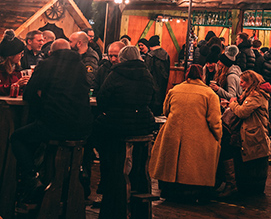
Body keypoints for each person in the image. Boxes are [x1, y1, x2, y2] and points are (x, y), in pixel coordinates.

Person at [11, 38, 93, 200]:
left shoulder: (46, 64)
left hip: (54, 124)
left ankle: (32, 178)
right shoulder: (81, 66)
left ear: (50, 52)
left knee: (17, 138)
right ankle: (79, 173)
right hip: (82, 127)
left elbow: (29, 94)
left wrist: (41, 104)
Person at [94, 45, 155, 214]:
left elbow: (102, 98)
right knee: (139, 163)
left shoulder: (116, 74)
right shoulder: (147, 74)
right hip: (143, 125)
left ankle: (108, 181)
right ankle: (137, 184)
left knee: (98, 133)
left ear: (121, 58)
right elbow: (154, 99)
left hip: (118, 126)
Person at [150, 64, 222, 202]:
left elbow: (166, 111)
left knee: (172, 165)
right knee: (194, 167)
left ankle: (169, 191)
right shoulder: (210, 94)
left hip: (173, 133)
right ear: (202, 76)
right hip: (198, 138)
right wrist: (218, 137)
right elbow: (214, 121)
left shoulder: (175, 90)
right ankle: (195, 194)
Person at [227, 70, 271, 194]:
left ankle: (250, 190)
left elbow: (242, 112)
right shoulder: (252, 93)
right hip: (253, 131)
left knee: (254, 160)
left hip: (254, 133)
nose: (240, 84)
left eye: (242, 82)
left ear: (249, 82)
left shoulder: (256, 95)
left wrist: (232, 104)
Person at [145, 35, 171, 116]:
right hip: (162, 87)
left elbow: (147, 73)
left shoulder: (150, 56)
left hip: (151, 88)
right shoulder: (166, 55)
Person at [0, 30, 30, 95]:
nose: (22, 56)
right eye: (20, 53)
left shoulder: (16, 69)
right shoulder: (2, 69)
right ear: (10, 55)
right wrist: (15, 85)